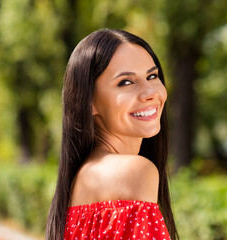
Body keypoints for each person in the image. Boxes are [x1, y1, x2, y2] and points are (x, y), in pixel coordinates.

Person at [46, 29, 179, 240]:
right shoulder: (135, 172)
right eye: (126, 82)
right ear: (88, 101)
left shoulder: (81, 178)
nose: (151, 92)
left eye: (152, 76)